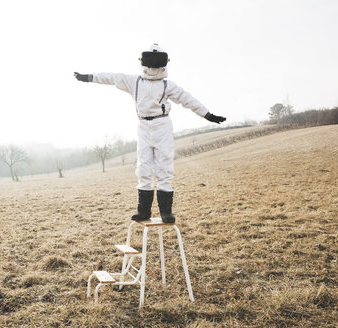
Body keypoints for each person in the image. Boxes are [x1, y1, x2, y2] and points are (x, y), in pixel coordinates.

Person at [74, 43, 226, 223]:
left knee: (164, 166)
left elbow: (188, 99)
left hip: (162, 125)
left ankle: (165, 212)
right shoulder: (134, 81)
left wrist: (207, 114)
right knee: (144, 167)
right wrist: (89, 77)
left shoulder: (167, 85)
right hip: (143, 126)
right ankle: (144, 211)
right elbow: (112, 77)